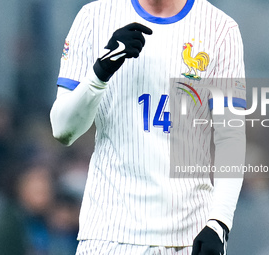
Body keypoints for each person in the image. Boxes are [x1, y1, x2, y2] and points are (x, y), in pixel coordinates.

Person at [50, 0, 246, 254]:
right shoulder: (93, 17)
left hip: (187, 237)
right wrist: (100, 73)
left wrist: (219, 222)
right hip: (107, 235)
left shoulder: (221, 29)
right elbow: (62, 129)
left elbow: (230, 138)